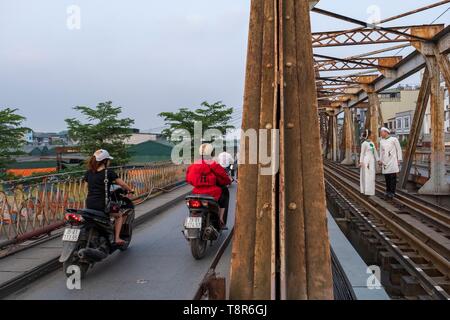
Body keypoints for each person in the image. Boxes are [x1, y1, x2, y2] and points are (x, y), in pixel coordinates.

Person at [84, 149, 134, 245]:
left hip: (89, 203)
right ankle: (117, 238)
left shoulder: (89, 172)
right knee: (118, 215)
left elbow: (87, 187)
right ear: (105, 161)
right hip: (102, 204)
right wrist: (130, 190)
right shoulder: (109, 173)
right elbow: (123, 184)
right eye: (108, 159)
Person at [186, 144, 231, 227]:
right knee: (225, 193)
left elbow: (188, 179)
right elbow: (224, 178)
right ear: (212, 152)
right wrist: (228, 181)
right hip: (213, 192)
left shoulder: (193, 165)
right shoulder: (213, 164)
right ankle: (221, 219)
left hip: (196, 192)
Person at [378, 127, 403, 199]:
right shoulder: (381, 141)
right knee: (387, 177)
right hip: (385, 161)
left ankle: (392, 192)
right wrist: (380, 160)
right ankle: (388, 191)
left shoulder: (394, 140)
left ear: (386, 132)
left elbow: (399, 150)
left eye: (381, 132)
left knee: (392, 177)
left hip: (393, 161)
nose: (380, 133)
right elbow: (381, 152)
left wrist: (399, 159)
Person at [359, 129, 379, 196]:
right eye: (371, 134)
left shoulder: (372, 143)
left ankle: (371, 191)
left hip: (372, 161)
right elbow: (362, 153)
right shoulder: (364, 144)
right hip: (366, 161)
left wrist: (378, 160)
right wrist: (361, 161)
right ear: (368, 135)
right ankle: (366, 191)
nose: (372, 135)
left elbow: (375, 152)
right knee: (366, 175)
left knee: (372, 175)